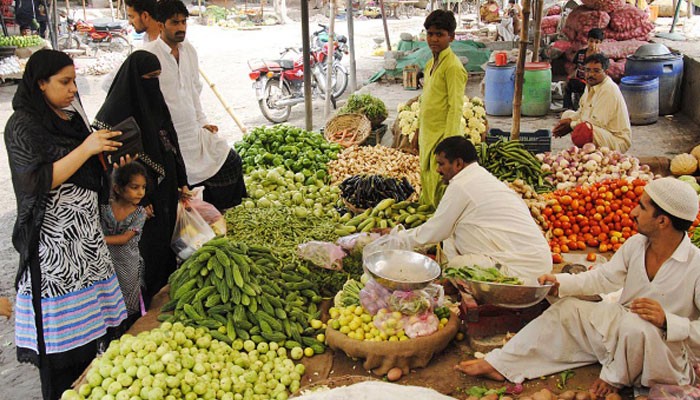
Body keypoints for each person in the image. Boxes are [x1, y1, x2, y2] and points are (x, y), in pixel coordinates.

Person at [456, 177, 700, 398]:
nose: (634, 211)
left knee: (637, 327)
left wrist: (668, 321)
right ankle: (502, 364)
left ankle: (616, 377)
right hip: (624, 330)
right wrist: (560, 284)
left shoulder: (696, 265)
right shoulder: (637, 245)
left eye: (643, 207)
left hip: (664, 353)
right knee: (569, 309)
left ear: (663, 221)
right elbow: (604, 279)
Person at [4, 49, 127, 400]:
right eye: (65, 81)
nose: (74, 89)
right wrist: (87, 149)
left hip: (87, 251)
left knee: (93, 350)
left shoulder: (72, 120)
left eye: (74, 80)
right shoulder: (21, 126)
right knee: (60, 360)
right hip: (54, 256)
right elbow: (36, 181)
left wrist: (113, 164)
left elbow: (89, 175)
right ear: (40, 83)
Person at [94, 50, 189, 303]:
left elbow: (170, 141)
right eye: (149, 78)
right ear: (135, 79)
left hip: (164, 188)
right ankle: (142, 303)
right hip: (138, 197)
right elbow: (111, 168)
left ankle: (163, 291)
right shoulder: (113, 114)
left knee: (163, 242)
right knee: (145, 249)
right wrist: (139, 198)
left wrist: (182, 180)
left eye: (157, 77)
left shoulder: (156, 104)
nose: (153, 84)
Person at [397, 136, 552, 281]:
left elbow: (436, 229)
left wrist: (398, 239)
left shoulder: (462, 185)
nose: (438, 170)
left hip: (525, 271)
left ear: (458, 164)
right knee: (452, 236)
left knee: (456, 267)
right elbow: (444, 229)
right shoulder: (480, 177)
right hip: (536, 263)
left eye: (441, 164)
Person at [144, 0, 247, 211]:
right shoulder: (148, 55)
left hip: (193, 131)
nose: (181, 27)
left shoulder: (189, 50)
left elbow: (193, 90)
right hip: (170, 139)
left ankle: (220, 213)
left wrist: (202, 122)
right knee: (185, 184)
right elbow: (124, 88)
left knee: (231, 161)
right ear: (161, 25)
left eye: (184, 22)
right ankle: (200, 219)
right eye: (175, 22)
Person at [418, 10, 467, 208]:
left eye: (440, 34)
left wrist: (450, 145)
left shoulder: (453, 67)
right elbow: (427, 101)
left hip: (442, 137)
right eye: (430, 34)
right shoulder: (431, 64)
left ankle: (440, 229)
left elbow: (455, 107)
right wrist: (417, 132)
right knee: (427, 179)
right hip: (427, 135)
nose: (434, 39)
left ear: (451, 37)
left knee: (441, 186)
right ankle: (429, 218)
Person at [101, 162, 148, 333]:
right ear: (118, 188)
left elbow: (124, 238)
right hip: (107, 265)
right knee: (109, 298)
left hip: (129, 265)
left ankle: (129, 330)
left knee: (129, 299)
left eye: (143, 187)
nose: (141, 192)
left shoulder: (140, 213)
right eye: (134, 187)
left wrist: (97, 240)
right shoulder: (104, 209)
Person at [553, 53, 631, 153]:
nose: (590, 75)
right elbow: (581, 112)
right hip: (601, 131)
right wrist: (567, 122)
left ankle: (591, 152)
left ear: (606, 72)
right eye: (588, 70)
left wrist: (571, 125)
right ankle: (587, 148)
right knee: (567, 115)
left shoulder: (608, 89)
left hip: (616, 139)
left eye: (596, 71)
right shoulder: (590, 85)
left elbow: (597, 122)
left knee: (584, 130)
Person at [564, 28, 604, 110]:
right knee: (567, 85)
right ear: (587, 40)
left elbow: (603, 75)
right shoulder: (581, 54)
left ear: (600, 43)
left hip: (593, 83)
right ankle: (567, 108)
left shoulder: (601, 57)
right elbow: (576, 68)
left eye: (596, 42)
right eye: (591, 41)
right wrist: (569, 77)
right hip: (580, 81)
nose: (593, 44)